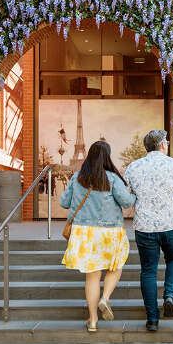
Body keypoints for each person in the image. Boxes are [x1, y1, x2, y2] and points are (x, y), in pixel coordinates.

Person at [60, 140, 136, 333]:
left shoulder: (77, 177)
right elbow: (127, 203)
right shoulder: (112, 178)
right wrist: (132, 192)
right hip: (110, 231)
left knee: (92, 278)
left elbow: (64, 202)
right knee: (116, 265)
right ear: (107, 157)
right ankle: (105, 298)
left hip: (84, 233)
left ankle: (93, 320)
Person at [124, 130, 173, 332]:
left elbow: (125, 198)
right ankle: (170, 296)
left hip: (144, 227)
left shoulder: (133, 167)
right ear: (163, 145)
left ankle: (152, 320)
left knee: (148, 270)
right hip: (171, 224)